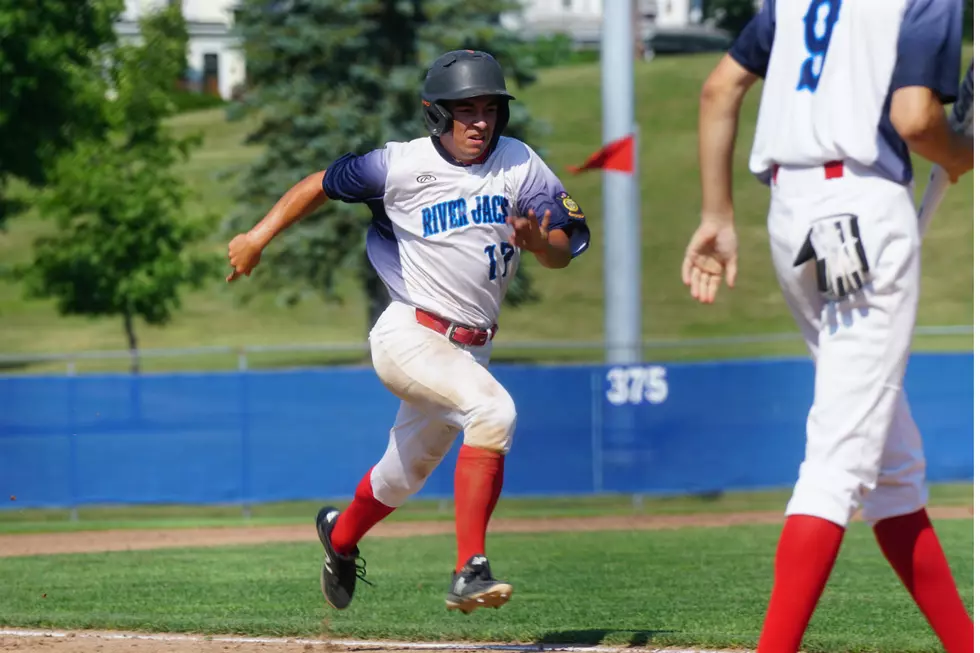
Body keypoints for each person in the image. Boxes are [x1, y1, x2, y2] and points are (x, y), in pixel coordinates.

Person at [225, 49, 591, 615]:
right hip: (411, 334)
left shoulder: (518, 163)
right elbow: (321, 182)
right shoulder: (398, 165)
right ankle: (470, 568)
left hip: (472, 349)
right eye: (464, 110)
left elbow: (566, 244)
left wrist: (544, 245)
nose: (480, 121)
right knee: (493, 414)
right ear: (436, 115)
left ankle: (340, 539)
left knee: (402, 476)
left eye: (490, 108)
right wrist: (257, 236)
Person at [679, 0, 974, 651]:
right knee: (838, 465)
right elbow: (916, 118)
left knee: (892, 466)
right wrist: (960, 152)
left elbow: (719, 88)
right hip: (863, 202)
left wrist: (717, 213)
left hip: (792, 213)